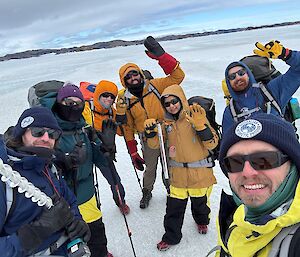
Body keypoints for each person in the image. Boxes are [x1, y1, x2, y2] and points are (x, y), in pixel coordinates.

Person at [0, 106, 90, 257]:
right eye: (38, 132)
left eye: (53, 134)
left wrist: (77, 222)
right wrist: (37, 232)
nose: (46, 138)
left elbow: (69, 201)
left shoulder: (49, 167)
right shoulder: (5, 179)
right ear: (22, 133)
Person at [143, 84, 219, 251]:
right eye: (167, 104)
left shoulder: (195, 116)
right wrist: (150, 133)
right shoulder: (165, 124)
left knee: (200, 205)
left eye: (174, 101)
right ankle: (171, 237)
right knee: (173, 210)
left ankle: (201, 222)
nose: (171, 106)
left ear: (181, 100)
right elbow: (156, 145)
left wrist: (201, 127)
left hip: (200, 174)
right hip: (177, 175)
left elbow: (213, 143)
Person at [214, 113, 300, 257]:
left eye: (264, 160)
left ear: (292, 164)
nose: (247, 172)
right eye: (234, 162)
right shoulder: (233, 217)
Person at [118, 35, 185, 209]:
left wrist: (162, 56)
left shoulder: (156, 85)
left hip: (168, 132)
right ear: (124, 81)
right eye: (128, 77)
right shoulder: (126, 99)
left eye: (135, 74)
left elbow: (178, 76)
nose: (133, 78)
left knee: (170, 164)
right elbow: (127, 128)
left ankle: (172, 189)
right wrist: (133, 152)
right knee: (150, 168)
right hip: (148, 138)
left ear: (140, 74)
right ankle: (147, 191)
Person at [48, 83, 114, 257]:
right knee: (71, 242)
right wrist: (62, 163)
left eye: (78, 103)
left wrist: (106, 148)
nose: (73, 107)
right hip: (62, 202)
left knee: (97, 235)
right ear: (59, 102)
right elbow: (40, 166)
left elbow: (99, 160)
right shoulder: (48, 131)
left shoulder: (84, 130)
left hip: (87, 196)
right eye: (68, 102)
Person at [222, 40, 300, 133]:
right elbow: (227, 143)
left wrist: (285, 54)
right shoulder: (231, 111)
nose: (238, 77)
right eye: (232, 76)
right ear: (228, 83)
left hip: (284, 146)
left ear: (249, 75)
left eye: (241, 73)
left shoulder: (272, 91)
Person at [93, 79, 130, 214]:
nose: (108, 99)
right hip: (87, 151)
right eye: (105, 95)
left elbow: (121, 133)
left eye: (111, 96)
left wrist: (121, 117)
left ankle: (121, 201)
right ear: (98, 95)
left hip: (105, 153)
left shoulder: (111, 112)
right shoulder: (87, 110)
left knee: (114, 180)